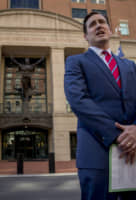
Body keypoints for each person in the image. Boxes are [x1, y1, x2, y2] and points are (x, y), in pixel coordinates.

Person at [64, 12, 136, 200]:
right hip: (96, 151)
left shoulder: (130, 66)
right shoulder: (75, 62)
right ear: (85, 36)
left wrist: (135, 130)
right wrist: (120, 134)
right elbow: (78, 101)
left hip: (133, 150)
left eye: (102, 22)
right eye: (92, 24)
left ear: (110, 30)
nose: (99, 26)